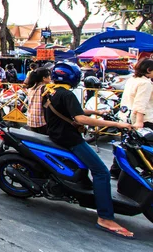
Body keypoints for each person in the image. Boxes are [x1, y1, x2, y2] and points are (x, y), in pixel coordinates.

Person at [43, 62, 133, 238]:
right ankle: (105, 217)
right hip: (70, 139)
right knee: (101, 172)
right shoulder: (67, 94)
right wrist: (116, 124)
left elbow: (71, 111)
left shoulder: (50, 91)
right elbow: (80, 118)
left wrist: (96, 112)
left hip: (57, 135)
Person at [109, 58, 153, 179]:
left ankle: (115, 170)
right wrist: (139, 121)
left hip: (126, 118)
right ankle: (146, 170)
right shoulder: (145, 83)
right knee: (145, 148)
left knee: (126, 145)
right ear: (149, 70)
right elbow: (140, 103)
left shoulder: (132, 80)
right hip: (143, 120)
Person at [25, 67, 52, 134]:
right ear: (44, 78)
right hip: (41, 121)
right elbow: (48, 103)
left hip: (31, 120)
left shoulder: (31, 88)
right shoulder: (45, 88)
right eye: (49, 76)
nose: (50, 78)